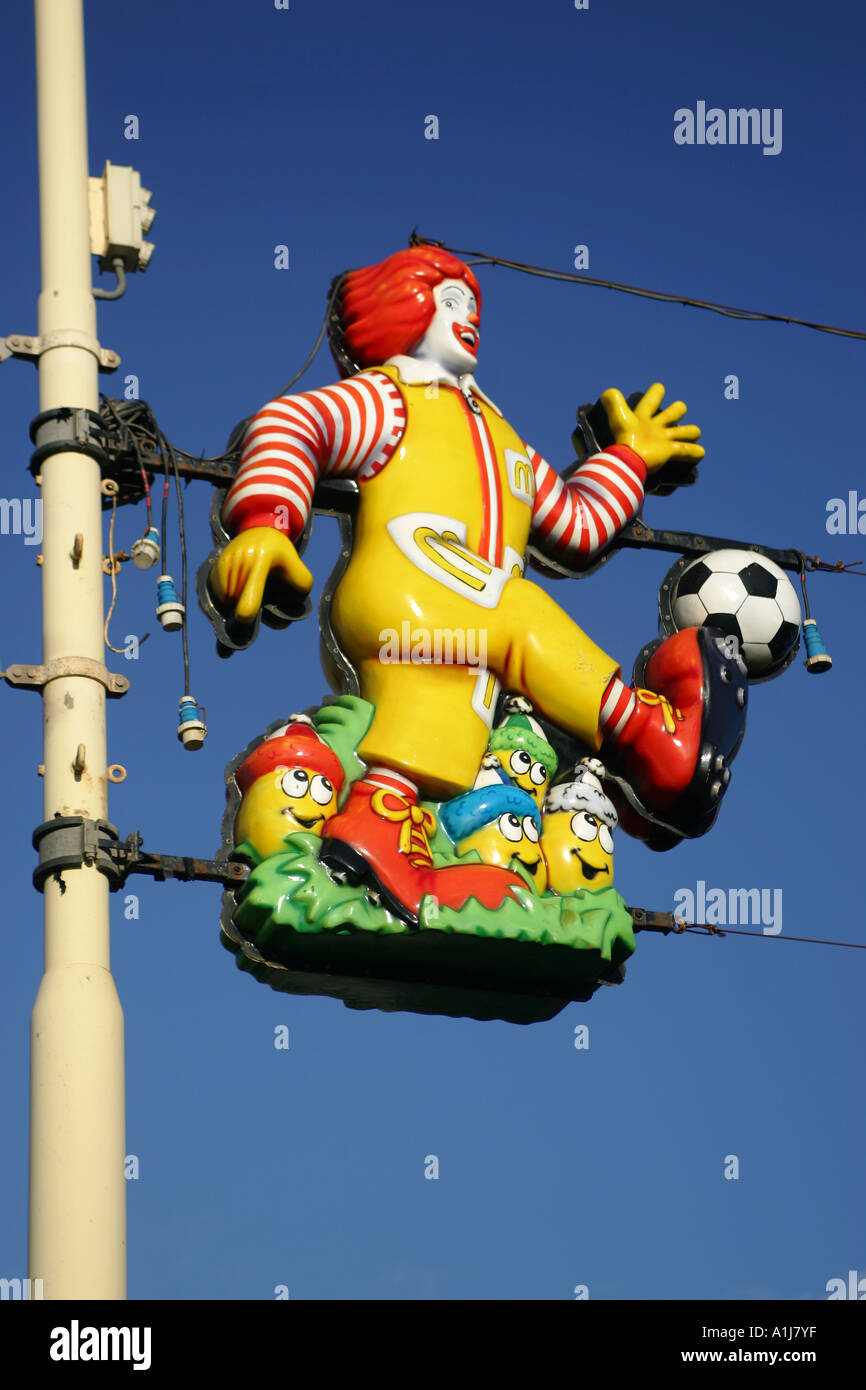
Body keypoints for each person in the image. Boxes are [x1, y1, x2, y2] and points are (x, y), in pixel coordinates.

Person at [210, 245, 745, 923]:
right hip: (409, 583)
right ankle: (651, 739)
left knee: (452, 713)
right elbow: (293, 424)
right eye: (451, 302)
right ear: (401, 309)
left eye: (473, 305)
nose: (469, 319)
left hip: (467, 596)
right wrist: (267, 521)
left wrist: (630, 459)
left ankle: (378, 839)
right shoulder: (387, 401)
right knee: (520, 618)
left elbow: (575, 525)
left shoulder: (500, 433)